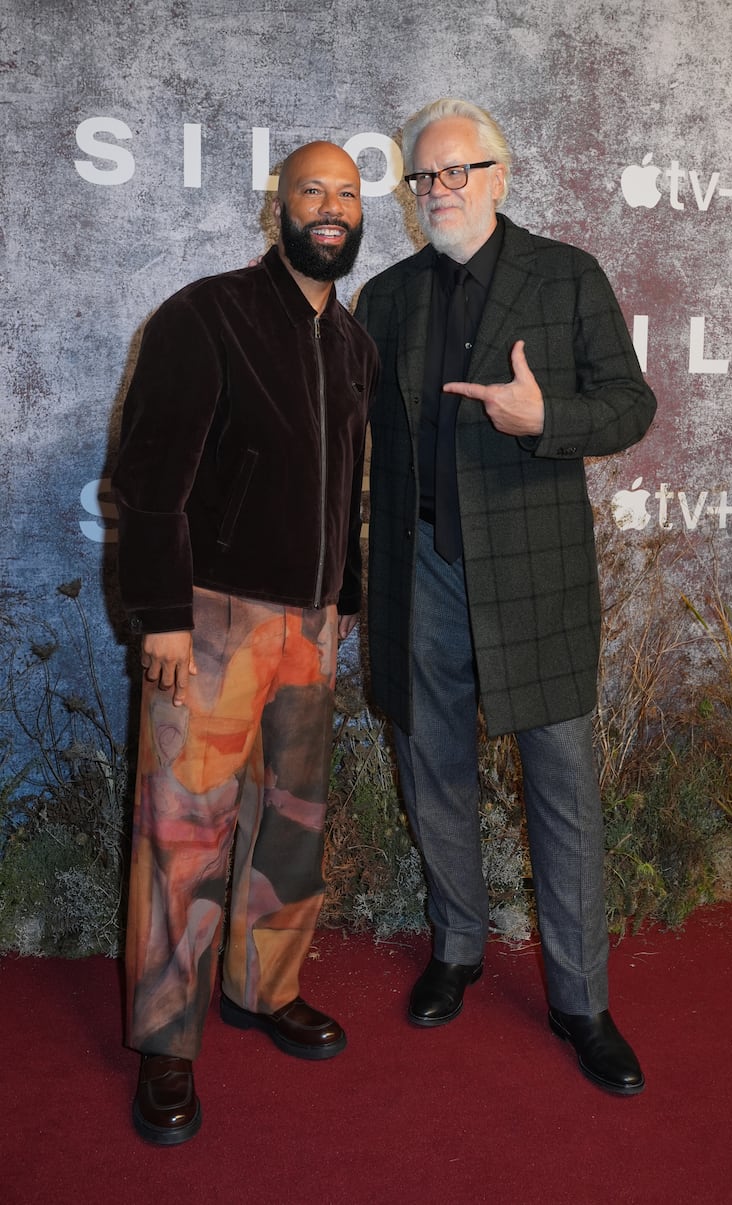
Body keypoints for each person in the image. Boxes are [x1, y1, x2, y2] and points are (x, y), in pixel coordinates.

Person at [355, 99, 656, 1095]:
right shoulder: (387, 297)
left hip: (534, 574)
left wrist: (544, 416)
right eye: (423, 176)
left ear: (499, 174)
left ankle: (579, 1000)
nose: (440, 190)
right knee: (430, 765)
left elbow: (629, 402)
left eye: (458, 170)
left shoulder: (564, 275)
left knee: (562, 789)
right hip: (422, 569)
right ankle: (455, 946)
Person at [112, 140, 378, 1145]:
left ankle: (265, 988)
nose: (330, 207)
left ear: (360, 215)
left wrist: (341, 594)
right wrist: (161, 615)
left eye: (347, 194)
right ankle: (167, 1039)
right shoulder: (205, 315)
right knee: (184, 831)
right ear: (279, 205)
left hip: (310, 627)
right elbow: (150, 483)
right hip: (211, 621)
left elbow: (345, 484)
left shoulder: (352, 345)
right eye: (312, 190)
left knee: (292, 823)